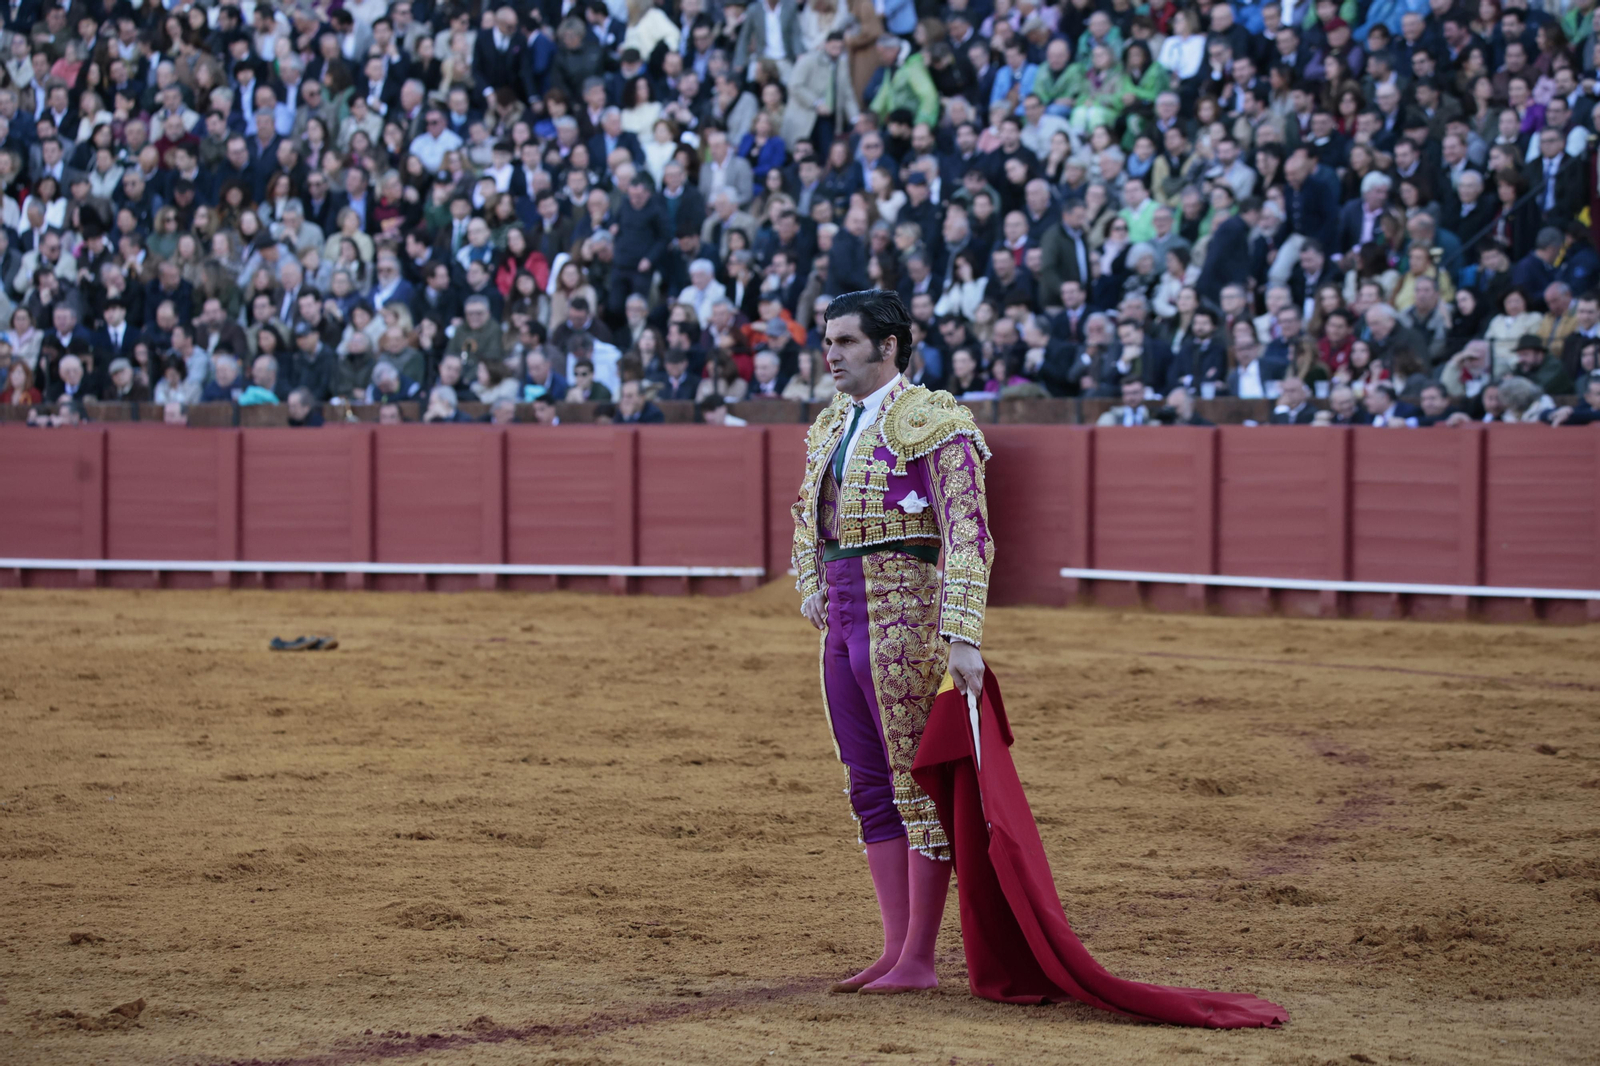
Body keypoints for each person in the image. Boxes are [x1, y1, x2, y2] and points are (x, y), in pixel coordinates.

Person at [791, 288, 991, 994]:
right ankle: (893, 948)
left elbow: (968, 528)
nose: (830, 354)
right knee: (867, 786)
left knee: (915, 786)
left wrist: (962, 636)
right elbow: (807, 512)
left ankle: (919, 958)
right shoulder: (831, 425)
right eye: (827, 340)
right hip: (843, 617)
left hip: (904, 616)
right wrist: (811, 580)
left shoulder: (936, 421)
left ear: (889, 345)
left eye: (845, 341)